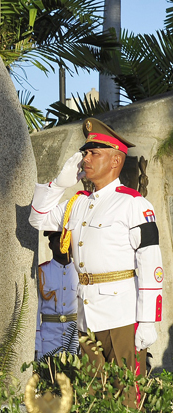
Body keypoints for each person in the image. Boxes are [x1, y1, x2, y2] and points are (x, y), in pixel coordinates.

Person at [29, 117, 163, 407]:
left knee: (127, 394)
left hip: (122, 316)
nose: (85, 158)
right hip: (87, 315)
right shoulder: (77, 203)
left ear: (115, 160)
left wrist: (148, 320)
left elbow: (151, 264)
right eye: (85, 152)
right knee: (93, 395)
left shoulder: (134, 204)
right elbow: (37, 218)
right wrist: (57, 184)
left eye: (93, 153)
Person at [35, 231, 78, 359]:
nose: (63, 244)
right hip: (49, 338)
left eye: (66, 240)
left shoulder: (79, 271)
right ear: (50, 245)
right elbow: (36, 311)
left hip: (74, 337)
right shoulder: (42, 272)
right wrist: (37, 345)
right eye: (59, 241)